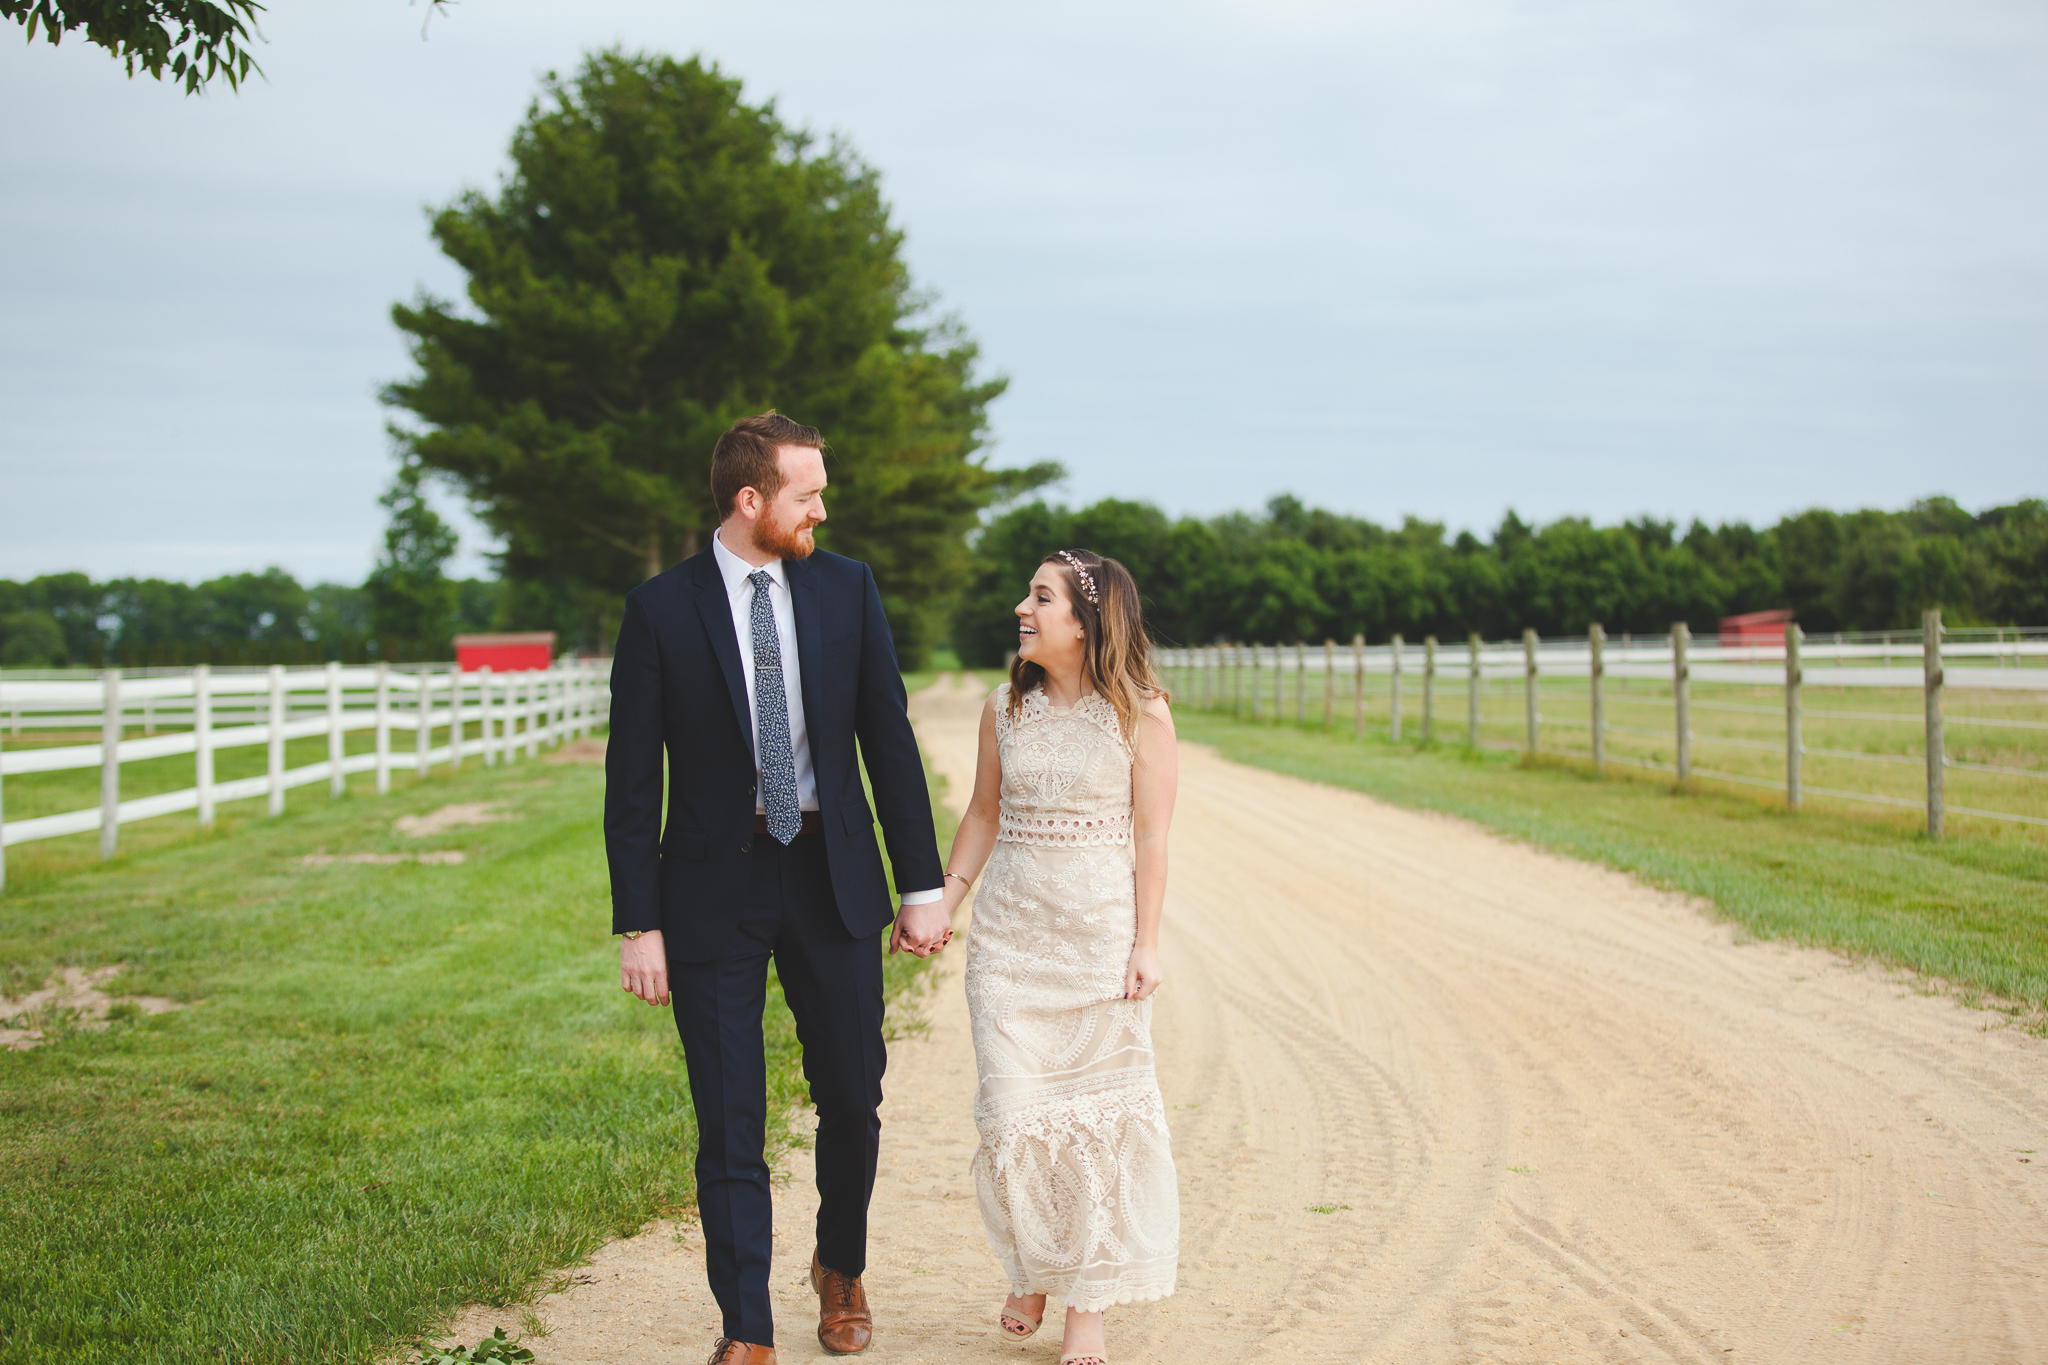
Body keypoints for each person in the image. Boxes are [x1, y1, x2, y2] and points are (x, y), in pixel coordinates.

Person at [604, 411, 955, 1365]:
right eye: (808, 493)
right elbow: (632, 782)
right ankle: (746, 1327)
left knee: (852, 1092)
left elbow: (889, 739)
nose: (823, 509)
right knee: (729, 1118)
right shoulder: (660, 612)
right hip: (712, 887)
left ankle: (839, 1267)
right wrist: (638, 922)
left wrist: (920, 882)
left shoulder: (847, 590)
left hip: (831, 874)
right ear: (749, 499)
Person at [926, 548, 1181, 1365]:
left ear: (1088, 618)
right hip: (1008, 948)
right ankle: (1033, 1260)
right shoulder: (1004, 708)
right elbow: (982, 813)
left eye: (1041, 597)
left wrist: (1145, 944)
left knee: (1095, 1133)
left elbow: (1152, 836)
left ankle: (1085, 1311)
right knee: (1013, 1117)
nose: (1021, 609)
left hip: (1098, 949)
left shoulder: (1141, 712)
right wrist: (944, 900)